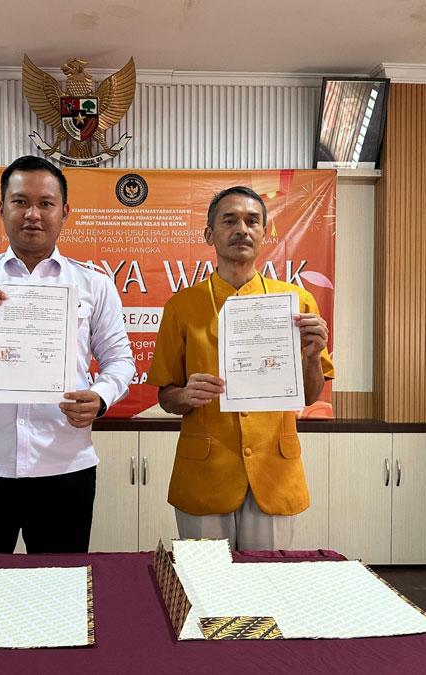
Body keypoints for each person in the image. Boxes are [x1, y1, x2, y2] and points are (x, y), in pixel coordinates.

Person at [0, 155, 135, 555]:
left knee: (60, 585)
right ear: (2, 208)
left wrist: (101, 397)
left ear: (65, 212)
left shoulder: (93, 284)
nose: (33, 214)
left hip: (63, 467)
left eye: (46, 203)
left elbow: (120, 360)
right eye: (20, 202)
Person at [147, 186, 334, 551]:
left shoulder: (296, 303)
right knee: (206, 578)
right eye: (229, 221)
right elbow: (166, 396)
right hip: (205, 472)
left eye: (252, 221)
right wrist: (185, 395)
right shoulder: (182, 306)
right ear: (209, 234)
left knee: (267, 578)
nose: (242, 230)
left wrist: (313, 356)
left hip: (273, 472)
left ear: (264, 233)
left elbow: (311, 395)